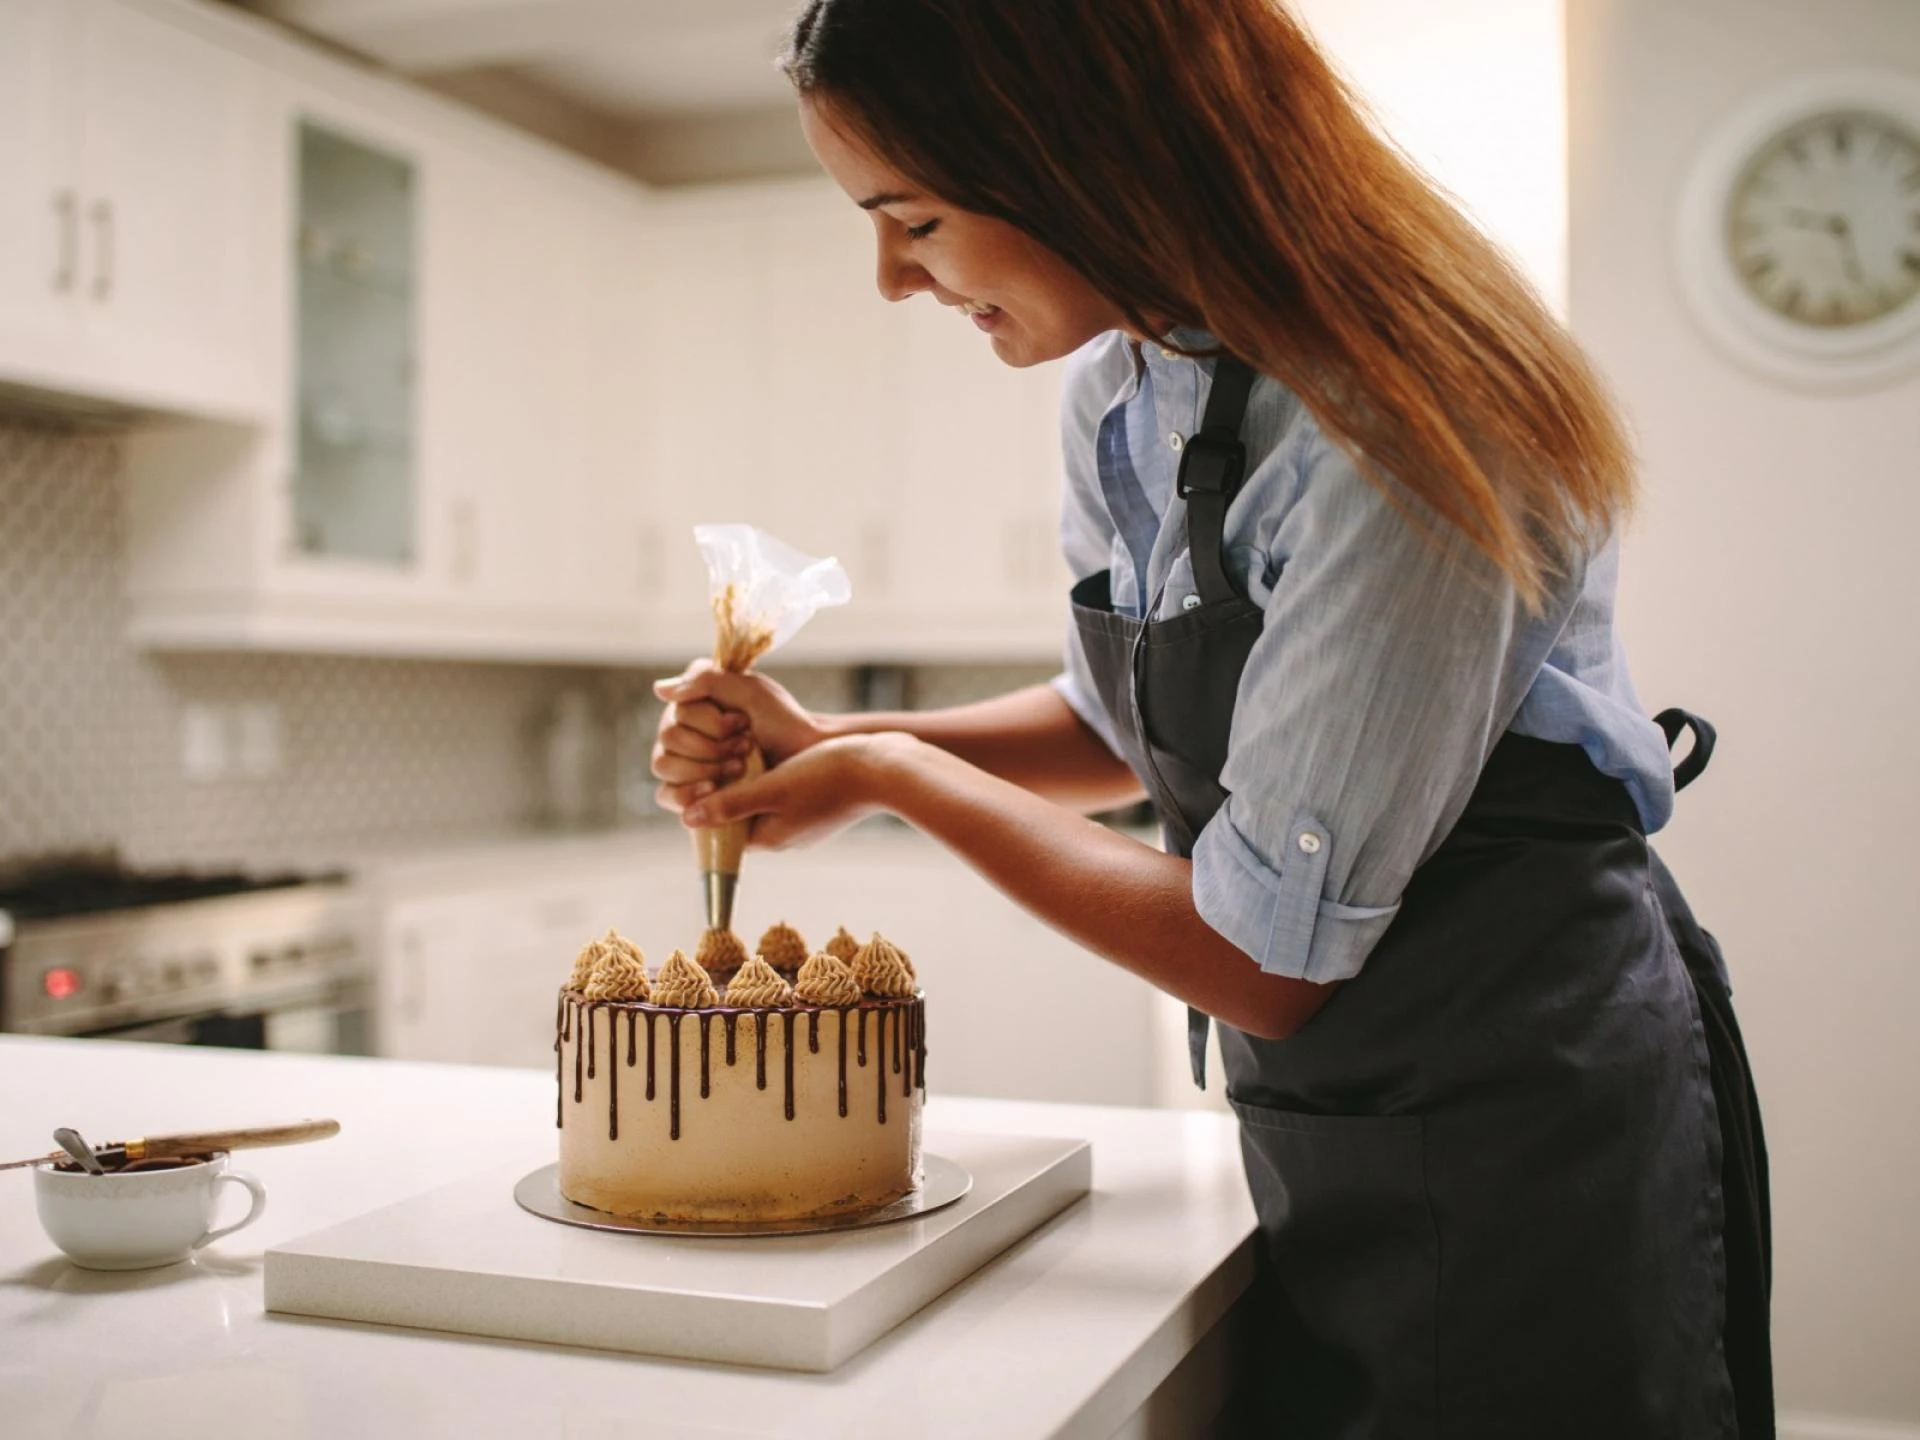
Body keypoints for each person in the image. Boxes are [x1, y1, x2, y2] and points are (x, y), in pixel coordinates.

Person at [651, 1, 1772, 1434]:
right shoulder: (1124, 385)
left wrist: (893, 772)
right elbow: (1126, 722)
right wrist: (833, 751)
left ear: (1079, 157)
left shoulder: (1405, 418)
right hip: (1329, 1106)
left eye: (913, 221)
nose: (889, 279)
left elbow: (1264, 959)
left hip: (1523, 1108)